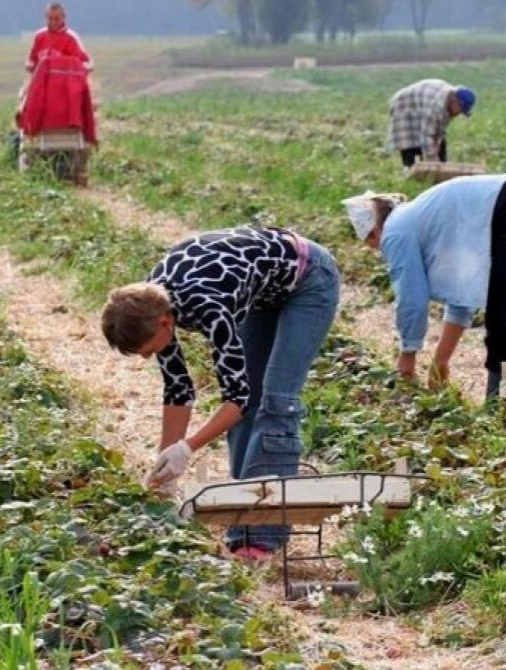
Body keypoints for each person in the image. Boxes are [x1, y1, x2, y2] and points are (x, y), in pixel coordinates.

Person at [101, 227, 340, 560]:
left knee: (275, 402)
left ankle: (263, 535)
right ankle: (244, 519)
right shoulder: (149, 304)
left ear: (166, 323)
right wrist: (165, 462)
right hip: (263, 290)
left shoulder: (209, 305)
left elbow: (236, 400)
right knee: (250, 402)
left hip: (309, 278)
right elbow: (178, 388)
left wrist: (188, 447)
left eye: (147, 349)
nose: (146, 357)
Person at [344, 175, 506, 398]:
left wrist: (408, 353)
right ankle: (499, 406)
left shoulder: (395, 232)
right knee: (500, 319)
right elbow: (461, 296)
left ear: (373, 232)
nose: (378, 251)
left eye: (371, 245)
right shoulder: (426, 223)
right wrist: (441, 361)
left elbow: (411, 299)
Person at [387, 79, 476, 168]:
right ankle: (410, 171)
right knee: (409, 143)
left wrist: (439, 159)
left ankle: (431, 173)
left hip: (424, 101)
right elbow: (427, 135)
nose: (459, 113)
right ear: (455, 101)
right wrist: (434, 163)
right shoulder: (437, 106)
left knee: (437, 148)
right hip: (404, 105)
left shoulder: (449, 103)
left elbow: (439, 133)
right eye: (460, 110)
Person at [26, 2, 93, 74]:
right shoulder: (39, 36)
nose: (53, 22)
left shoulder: (71, 38)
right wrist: (30, 65)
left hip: (63, 83)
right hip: (41, 82)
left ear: (64, 17)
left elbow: (86, 62)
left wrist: (85, 67)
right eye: (50, 18)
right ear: (46, 17)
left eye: (57, 19)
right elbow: (32, 59)